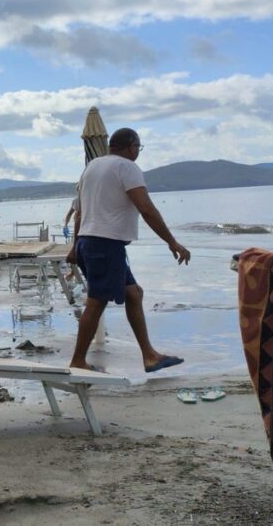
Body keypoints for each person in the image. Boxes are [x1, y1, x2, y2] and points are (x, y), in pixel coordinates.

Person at [67, 128, 190, 373]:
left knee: (134, 294)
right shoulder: (127, 167)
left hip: (90, 242)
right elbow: (146, 208)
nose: (138, 153)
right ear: (131, 146)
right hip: (105, 244)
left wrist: (75, 246)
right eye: (138, 148)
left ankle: (150, 356)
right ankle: (78, 361)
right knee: (96, 303)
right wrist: (172, 241)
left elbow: (80, 210)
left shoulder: (91, 167)